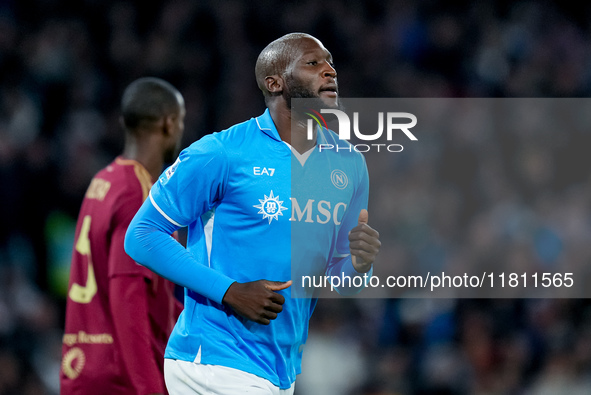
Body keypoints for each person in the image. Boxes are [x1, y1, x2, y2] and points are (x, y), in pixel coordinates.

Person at [124, 33, 381, 394]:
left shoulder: (349, 164)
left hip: (281, 369)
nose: (329, 71)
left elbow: (343, 281)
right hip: (213, 361)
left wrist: (360, 264)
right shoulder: (222, 153)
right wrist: (230, 291)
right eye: (313, 63)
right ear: (274, 82)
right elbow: (141, 236)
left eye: (331, 63)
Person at [60, 77, 185, 395]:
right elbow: (127, 299)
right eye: (181, 121)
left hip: (82, 362)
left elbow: (145, 295)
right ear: (169, 124)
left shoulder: (103, 181)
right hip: (118, 376)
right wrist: (150, 389)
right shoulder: (137, 194)